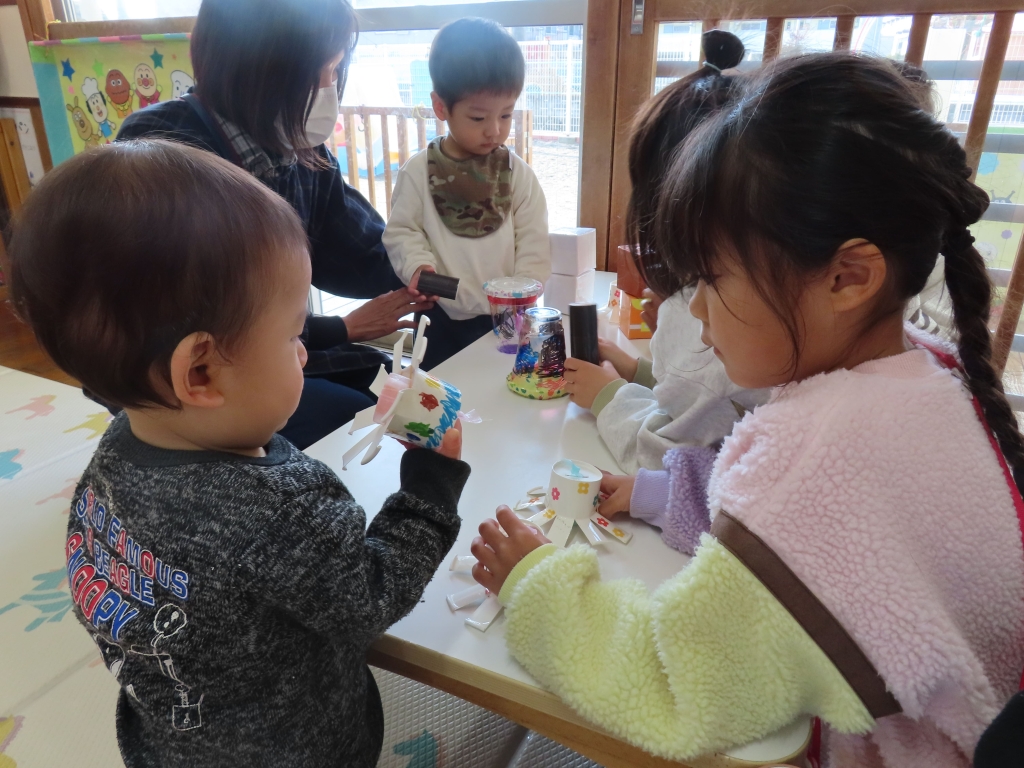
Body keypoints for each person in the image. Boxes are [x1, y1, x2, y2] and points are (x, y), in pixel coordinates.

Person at [470, 54, 1024, 766]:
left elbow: (670, 686)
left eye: (714, 277)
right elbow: (804, 520)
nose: (696, 307)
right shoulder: (928, 370)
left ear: (848, 277)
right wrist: (652, 492)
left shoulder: (816, 454)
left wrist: (537, 584)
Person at [2, 140, 470, 768]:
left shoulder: (116, 451)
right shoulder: (282, 509)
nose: (304, 350)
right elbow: (372, 596)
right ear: (200, 373)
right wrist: (431, 484)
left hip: (169, 741)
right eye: (293, 334)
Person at [116, 0, 433, 449]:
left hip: (283, 351)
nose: (330, 88)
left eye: (335, 69)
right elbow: (193, 323)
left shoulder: (300, 149)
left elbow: (360, 249)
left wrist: (426, 267)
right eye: (322, 72)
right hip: (198, 377)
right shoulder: (164, 151)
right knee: (352, 419)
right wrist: (342, 329)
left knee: (404, 394)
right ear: (263, 69)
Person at [563, 31, 768, 487]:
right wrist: (637, 371)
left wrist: (607, 396)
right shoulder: (742, 284)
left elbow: (667, 457)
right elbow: (709, 406)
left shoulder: (726, 313)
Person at [383, 17, 551, 370]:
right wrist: (417, 266)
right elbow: (402, 232)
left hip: (507, 315)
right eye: (478, 118)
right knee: (439, 388)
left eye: (506, 115)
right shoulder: (418, 172)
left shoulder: (517, 174)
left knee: (501, 382)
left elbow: (533, 241)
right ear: (441, 107)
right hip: (441, 313)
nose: (495, 130)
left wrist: (522, 296)